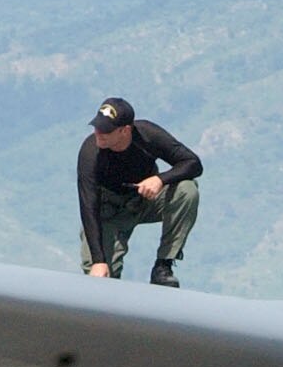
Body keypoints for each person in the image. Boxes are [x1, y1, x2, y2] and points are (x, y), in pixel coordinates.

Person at [76, 97, 202, 287]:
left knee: (187, 189)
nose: (99, 134)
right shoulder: (90, 152)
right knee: (101, 281)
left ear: (125, 130)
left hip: (144, 202)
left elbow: (193, 163)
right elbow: (88, 205)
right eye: (97, 127)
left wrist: (160, 179)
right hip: (107, 215)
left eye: (106, 130)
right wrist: (98, 261)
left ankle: (163, 265)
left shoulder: (148, 135)